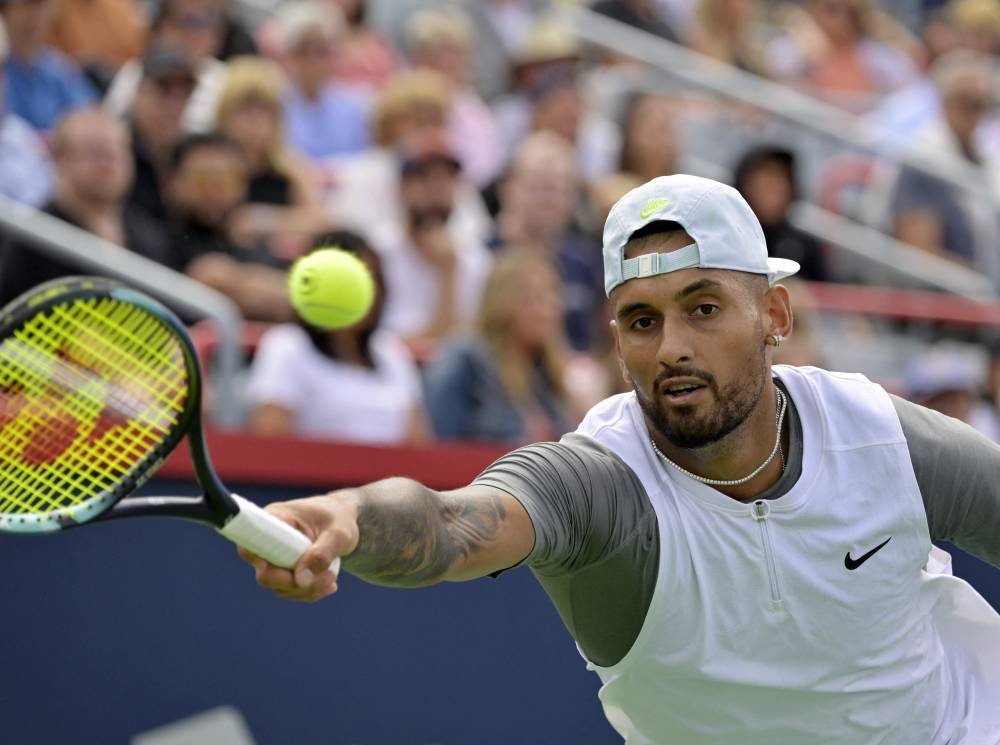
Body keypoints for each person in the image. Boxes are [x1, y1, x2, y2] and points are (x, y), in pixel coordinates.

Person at [240, 173, 1000, 743]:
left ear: (773, 314)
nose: (671, 347)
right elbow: (447, 521)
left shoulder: (877, 435)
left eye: (704, 308)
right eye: (642, 320)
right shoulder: (603, 485)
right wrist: (348, 514)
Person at [246, 231, 427, 444]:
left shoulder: (392, 351)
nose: (371, 293)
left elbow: (417, 445)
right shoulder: (287, 346)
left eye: (374, 280)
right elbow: (270, 444)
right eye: (356, 282)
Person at [0, 107, 176, 303]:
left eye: (116, 152)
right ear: (60, 159)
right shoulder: (33, 240)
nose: (108, 163)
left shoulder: (151, 237)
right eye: (95, 152)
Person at [423, 248, 575, 444]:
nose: (547, 310)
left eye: (553, 295)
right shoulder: (465, 359)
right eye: (533, 298)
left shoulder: (547, 372)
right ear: (502, 300)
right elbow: (440, 445)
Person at [165, 132, 294, 322]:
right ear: (174, 184)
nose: (214, 191)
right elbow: (210, 277)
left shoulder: (249, 242)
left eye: (227, 180)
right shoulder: (160, 240)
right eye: (202, 180)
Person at [0, 0, 96, 132]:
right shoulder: (4, 69)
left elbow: (88, 117)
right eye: (25, 7)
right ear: (5, 12)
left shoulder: (61, 68)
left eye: (40, 7)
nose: (33, 17)